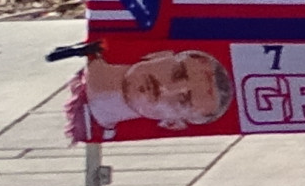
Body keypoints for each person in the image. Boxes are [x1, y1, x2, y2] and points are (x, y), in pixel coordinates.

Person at [87, 47, 226, 131]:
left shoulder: (90, 134)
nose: (165, 88)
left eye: (183, 100)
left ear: (172, 124)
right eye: (178, 73)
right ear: (160, 54)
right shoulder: (80, 50)